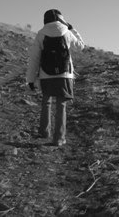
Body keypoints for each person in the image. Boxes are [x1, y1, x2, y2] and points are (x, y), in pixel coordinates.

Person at [26, 9, 85, 146]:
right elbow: (81, 47)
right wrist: (73, 29)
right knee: (61, 106)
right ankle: (59, 138)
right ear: (61, 19)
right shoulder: (67, 32)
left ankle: (44, 132)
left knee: (46, 102)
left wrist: (30, 80)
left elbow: (34, 59)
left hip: (46, 75)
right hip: (64, 75)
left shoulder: (41, 34)